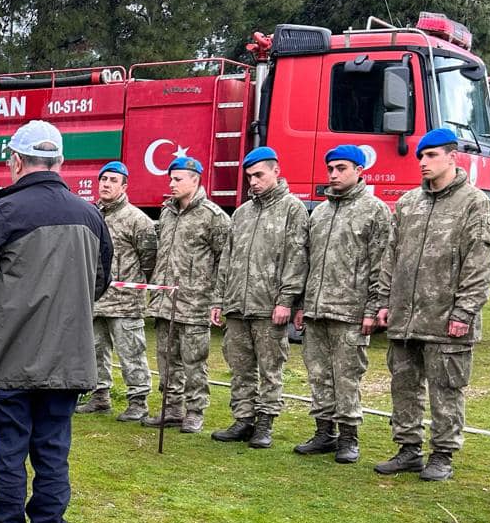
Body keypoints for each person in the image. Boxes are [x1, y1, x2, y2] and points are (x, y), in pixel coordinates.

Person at [0, 120, 111, 523]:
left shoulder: (3, 212)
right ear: (60, 162)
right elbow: (98, 283)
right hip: (69, 359)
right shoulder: (90, 215)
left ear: (16, 162)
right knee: (52, 456)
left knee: (8, 456)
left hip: (9, 359)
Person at [373, 128, 490, 481]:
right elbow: (391, 256)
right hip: (405, 316)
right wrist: (384, 300)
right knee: (404, 384)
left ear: (451, 158)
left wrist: (465, 310)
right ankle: (408, 448)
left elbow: (478, 263)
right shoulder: (409, 203)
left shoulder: (474, 203)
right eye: (420, 157)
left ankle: (443, 453)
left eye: (431, 156)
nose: (423, 163)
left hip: (445, 318)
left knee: (446, 389)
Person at [292, 145, 392, 464]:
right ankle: (324, 432)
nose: (334, 175)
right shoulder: (319, 213)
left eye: (341, 168)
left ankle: (349, 437)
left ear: (359, 170)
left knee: (346, 376)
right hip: (316, 311)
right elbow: (305, 262)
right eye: (331, 169)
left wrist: (373, 309)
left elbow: (382, 264)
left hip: (350, 312)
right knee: (319, 375)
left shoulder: (375, 211)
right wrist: (300, 304)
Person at [211, 147, 308, 449]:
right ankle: (243, 419)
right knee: (239, 366)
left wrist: (286, 301)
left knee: (270, 368)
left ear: (276, 172)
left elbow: (297, 258)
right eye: (249, 177)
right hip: (238, 305)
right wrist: (218, 299)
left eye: (259, 175)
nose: (253, 181)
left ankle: (265, 422)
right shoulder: (242, 213)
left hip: (269, 306)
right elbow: (227, 259)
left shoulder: (293, 209)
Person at [143, 156, 228, 432]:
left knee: (194, 361)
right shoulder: (167, 213)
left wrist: (217, 299)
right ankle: (171, 408)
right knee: (167, 360)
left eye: (178, 179)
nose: (172, 183)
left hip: (195, 302)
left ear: (195, 179)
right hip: (165, 301)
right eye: (171, 178)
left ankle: (194, 411)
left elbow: (223, 261)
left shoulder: (213, 217)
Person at [76, 161, 157, 422]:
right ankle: (100, 397)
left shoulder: (137, 220)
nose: (106, 184)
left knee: (131, 353)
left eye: (113, 180)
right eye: (103, 180)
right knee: (95, 350)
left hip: (125, 302)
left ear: (124, 186)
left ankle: (138, 401)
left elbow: (149, 260)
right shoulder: (92, 215)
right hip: (96, 300)